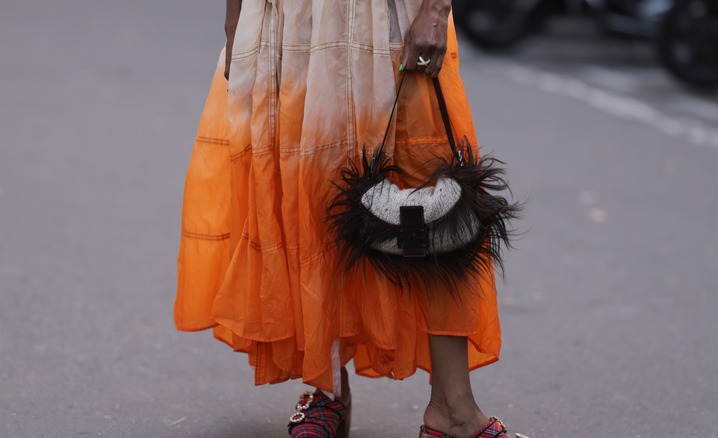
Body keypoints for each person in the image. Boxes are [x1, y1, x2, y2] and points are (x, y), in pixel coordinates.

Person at [174, 0, 524, 437]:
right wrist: (235, 17)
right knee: (312, 191)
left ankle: (452, 409)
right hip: (291, 17)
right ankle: (327, 387)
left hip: (394, 13)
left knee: (433, 198)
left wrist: (435, 8)